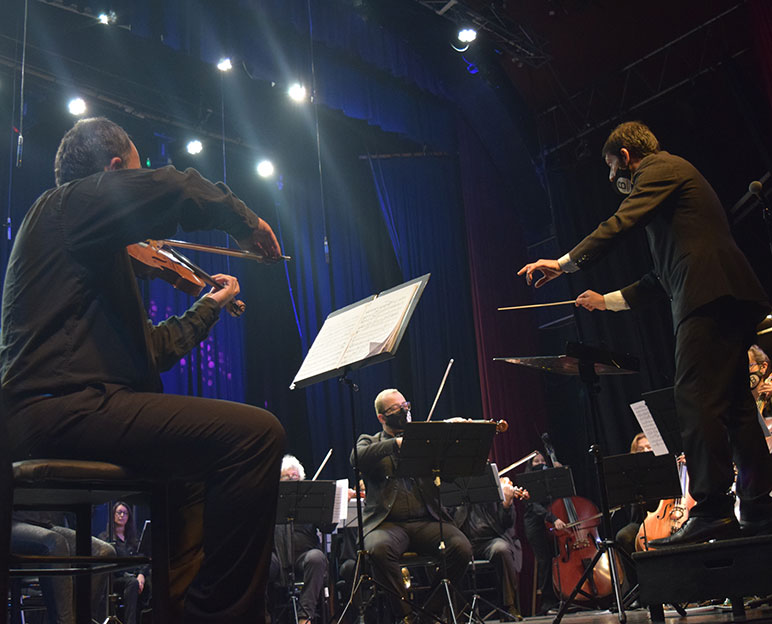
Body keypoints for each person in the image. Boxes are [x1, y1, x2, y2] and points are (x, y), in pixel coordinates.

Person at [0, 117, 286, 623]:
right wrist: (246, 220)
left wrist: (209, 308)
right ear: (115, 173)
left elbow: (147, 353)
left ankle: (176, 612)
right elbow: (178, 185)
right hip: (61, 409)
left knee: (191, 473)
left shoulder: (83, 244)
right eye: (134, 171)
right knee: (258, 435)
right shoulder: (71, 204)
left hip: (71, 407)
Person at [518, 120, 772, 546]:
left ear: (627, 158)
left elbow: (619, 224)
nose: (611, 176)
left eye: (611, 166)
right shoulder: (672, 187)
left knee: (693, 397)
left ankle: (711, 509)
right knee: (734, 406)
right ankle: (761, 506)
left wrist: (561, 264)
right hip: (727, 293)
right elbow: (660, 277)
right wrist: (606, 300)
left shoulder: (658, 169)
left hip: (707, 296)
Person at [352, 388, 473, 623]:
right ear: (382, 417)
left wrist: (455, 438)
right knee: (377, 549)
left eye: (405, 404)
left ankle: (428, 614)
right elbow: (356, 457)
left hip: (426, 520)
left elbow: (449, 476)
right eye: (397, 408)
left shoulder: (424, 439)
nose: (405, 410)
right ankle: (405, 616)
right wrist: (395, 444)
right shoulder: (371, 440)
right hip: (387, 524)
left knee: (461, 548)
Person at [11, 511, 115, 624]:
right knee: (56, 544)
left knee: (104, 553)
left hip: (46, 525)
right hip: (12, 522)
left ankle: (81, 619)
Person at [454, 475, 526, 620]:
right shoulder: (455, 487)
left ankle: (509, 606)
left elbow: (507, 523)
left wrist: (507, 503)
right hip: (464, 541)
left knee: (502, 549)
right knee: (450, 552)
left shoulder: (494, 487)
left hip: (490, 541)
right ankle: (457, 612)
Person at [270, 455, 328, 624]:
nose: (292, 480)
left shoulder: (309, 499)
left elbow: (326, 528)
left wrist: (330, 511)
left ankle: (305, 617)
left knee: (317, 558)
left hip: (303, 556)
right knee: (259, 564)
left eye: (296, 477)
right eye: (287, 477)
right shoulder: (270, 497)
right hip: (276, 557)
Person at [522, 452, 564, 614]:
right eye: (535, 461)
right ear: (530, 465)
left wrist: (560, 474)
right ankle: (547, 602)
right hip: (535, 523)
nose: (540, 463)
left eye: (542, 460)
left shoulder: (549, 479)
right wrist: (553, 518)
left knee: (559, 556)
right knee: (545, 559)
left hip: (551, 519)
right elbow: (534, 506)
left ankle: (566, 595)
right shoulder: (528, 481)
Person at [99, 502, 150, 624]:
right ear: (113, 515)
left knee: (151, 581)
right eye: (119, 512)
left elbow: (143, 558)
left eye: (125, 513)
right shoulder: (105, 538)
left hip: (134, 577)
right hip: (116, 578)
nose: (122, 515)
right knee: (132, 583)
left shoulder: (133, 538)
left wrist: (142, 575)